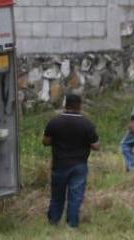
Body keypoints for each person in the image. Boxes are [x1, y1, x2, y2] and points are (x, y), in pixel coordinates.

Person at [44, 92, 100, 229]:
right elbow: (96, 146)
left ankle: (53, 221)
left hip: (59, 164)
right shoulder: (87, 123)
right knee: (75, 197)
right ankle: (72, 225)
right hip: (79, 165)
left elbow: (45, 141)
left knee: (57, 196)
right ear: (79, 106)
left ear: (65, 105)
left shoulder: (55, 122)